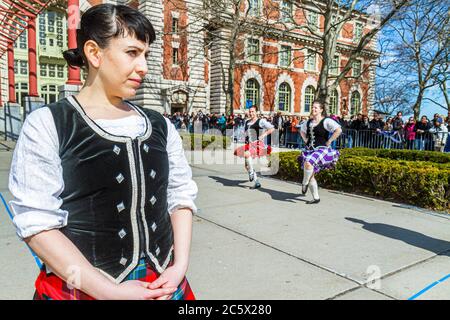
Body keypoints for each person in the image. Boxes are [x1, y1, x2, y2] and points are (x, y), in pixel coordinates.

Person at [8, 4, 197, 300]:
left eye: (146, 54)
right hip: (84, 289)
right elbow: (37, 223)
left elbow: (180, 196)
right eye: (132, 53)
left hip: (165, 282)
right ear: (94, 53)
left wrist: (179, 265)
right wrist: (109, 292)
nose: (144, 66)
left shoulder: (160, 124)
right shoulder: (49, 123)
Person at [298, 101, 342, 204]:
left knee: (308, 163)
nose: (313, 109)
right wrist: (305, 140)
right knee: (310, 172)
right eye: (312, 107)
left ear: (321, 110)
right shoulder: (308, 122)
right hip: (310, 149)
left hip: (321, 149)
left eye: (316, 108)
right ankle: (316, 198)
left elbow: (338, 130)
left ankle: (304, 183)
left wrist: (330, 141)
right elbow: (301, 130)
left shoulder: (326, 121)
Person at [233, 105, 274, 189]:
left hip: (257, 144)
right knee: (246, 166)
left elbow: (272, 128)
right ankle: (256, 182)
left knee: (247, 154)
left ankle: (251, 172)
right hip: (248, 144)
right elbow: (245, 133)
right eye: (250, 111)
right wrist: (243, 135)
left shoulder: (261, 121)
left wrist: (263, 135)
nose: (251, 113)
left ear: (256, 112)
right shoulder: (247, 122)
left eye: (253, 111)